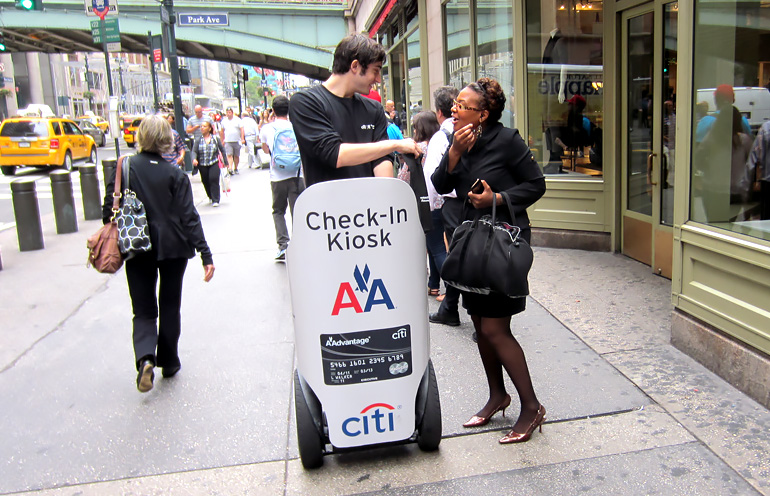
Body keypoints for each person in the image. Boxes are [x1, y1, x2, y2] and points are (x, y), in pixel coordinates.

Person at [431, 78, 547, 444]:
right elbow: (439, 183)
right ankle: (498, 396)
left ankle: (531, 407)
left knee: (497, 329)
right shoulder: (458, 139)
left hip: (503, 244)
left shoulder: (508, 139)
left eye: (462, 105)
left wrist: (497, 198)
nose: (454, 108)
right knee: (480, 326)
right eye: (454, 104)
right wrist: (452, 156)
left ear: (482, 113)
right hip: (472, 244)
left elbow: (535, 185)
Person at [101, 115, 215, 393]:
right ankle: (169, 360)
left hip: (136, 245)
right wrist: (205, 255)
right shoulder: (175, 174)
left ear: (140, 137)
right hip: (174, 246)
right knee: (169, 304)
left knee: (142, 308)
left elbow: (108, 210)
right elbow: (189, 217)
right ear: (166, 140)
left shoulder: (124, 167)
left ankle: (145, 358)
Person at [289, 34, 420, 186]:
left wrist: (385, 200)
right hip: (326, 207)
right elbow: (334, 154)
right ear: (355, 66)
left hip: (369, 208)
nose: (378, 79)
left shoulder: (373, 108)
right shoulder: (306, 102)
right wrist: (396, 144)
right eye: (375, 70)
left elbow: (382, 159)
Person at [426, 85, 462, 323]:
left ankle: (451, 301)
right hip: (476, 201)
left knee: (447, 250)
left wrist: (432, 206)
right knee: (466, 252)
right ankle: (450, 307)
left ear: (440, 112)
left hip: (450, 203)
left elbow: (432, 177)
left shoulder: (441, 137)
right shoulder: (472, 130)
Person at [260, 95, 306, 261]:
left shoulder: (267, 129)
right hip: (296, 175)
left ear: (273, 110)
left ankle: (283, 245)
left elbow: (265, 151)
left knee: (278, 211)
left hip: (277, 176)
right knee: (298, 211)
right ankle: (300, 245)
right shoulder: (297, 126)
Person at [411, 111, 443, 298]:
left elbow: (404, 176)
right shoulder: (440, 143)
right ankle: (434, 285)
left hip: (424, 203)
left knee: (434, 247)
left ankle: (451, 286)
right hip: (441, 201)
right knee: (435, 245)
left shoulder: (417, 149)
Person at [192, 120, 226, 207]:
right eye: (201, 126)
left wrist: (225, 161)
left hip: (213, 162)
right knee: (205, 180)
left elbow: (222, 149)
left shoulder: (215, 138)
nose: (202, 128)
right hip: (202, 164)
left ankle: (216, 199)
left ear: (209, 128)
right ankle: (210, 195)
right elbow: (194, 151)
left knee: (213, 179)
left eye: (204, 126)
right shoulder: (198, 140)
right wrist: (194, 159)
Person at [220, 108, 244, 174]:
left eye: (229, 112)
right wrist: (222, 140)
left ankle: (236, 168)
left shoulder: (238, 120)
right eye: (227, 112)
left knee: (236, 155)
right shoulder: (224, 121)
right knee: (229, 154)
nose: (228, 114)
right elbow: (222, 131)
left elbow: (242, 129)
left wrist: (242, 138)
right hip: (228, 141)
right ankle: (230, 168)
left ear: (232, 112)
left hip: (236, 140)